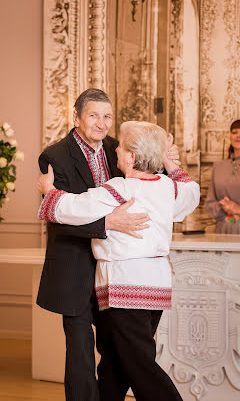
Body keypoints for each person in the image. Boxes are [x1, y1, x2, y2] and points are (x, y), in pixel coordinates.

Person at [37, 121, 200, 401]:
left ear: (131, 157)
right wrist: (167, 161)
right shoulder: (166, 187)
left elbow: (75, 208)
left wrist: (48, 190)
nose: (116, 151)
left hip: (126, 289)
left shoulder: (121, 189)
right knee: (115, 363)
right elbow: (191, 191)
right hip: (156, 289)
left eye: (121, 147)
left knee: (139, 367)